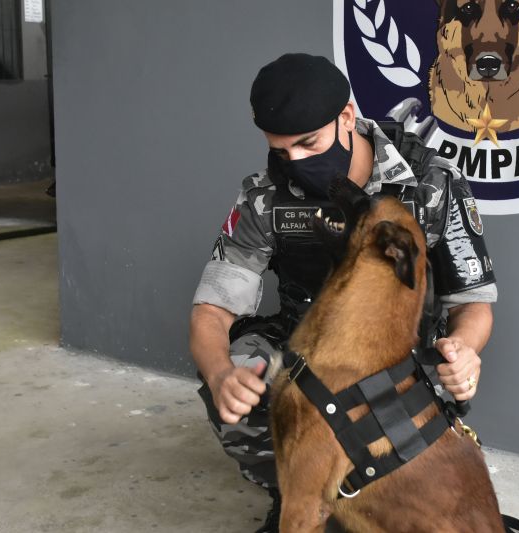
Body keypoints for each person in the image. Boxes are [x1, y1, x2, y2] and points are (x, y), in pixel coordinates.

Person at [190, 53, 497, 532]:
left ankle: (370, 503)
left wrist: (466, 350)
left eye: (308, 143)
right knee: (244, 373)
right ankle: (298, 492)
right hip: (303, 346)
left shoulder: (430, 182)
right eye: (281, 150)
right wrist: (220, 376)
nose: (296, 161)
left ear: (347, 117)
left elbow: (472, 301)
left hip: (395, 357)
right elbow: (211, 311)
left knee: (430, 398)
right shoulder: (265, 196)